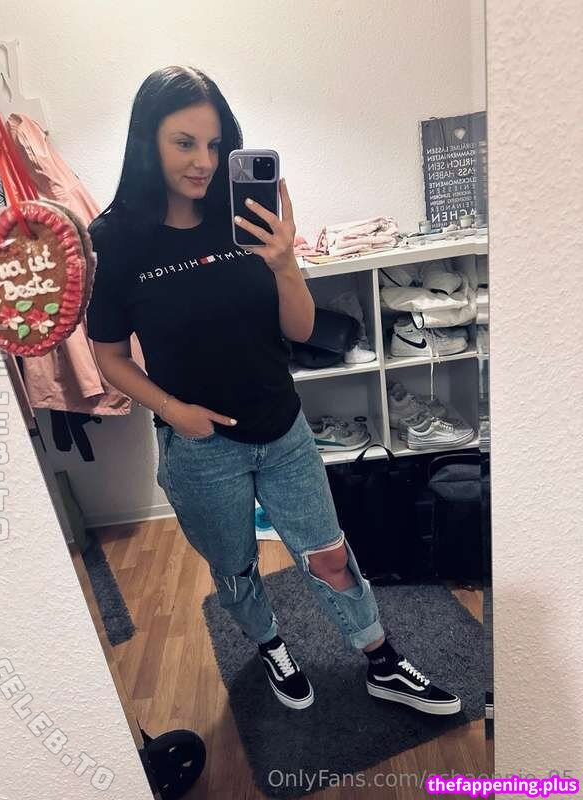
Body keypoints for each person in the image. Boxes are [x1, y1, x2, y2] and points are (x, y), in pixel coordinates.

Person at [86, 65, 461, 715]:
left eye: (215, 144)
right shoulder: (115, 240)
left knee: (330, 552)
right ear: (147, 141)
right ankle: (269, 645)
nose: (204, 162)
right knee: (234, 567)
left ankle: (381, 660)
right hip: (200, 447)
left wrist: (286, 262)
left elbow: (302, 329)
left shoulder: (243, 215)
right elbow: (109, 357)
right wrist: (175, 411)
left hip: (284, 428)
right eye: (184, 143)